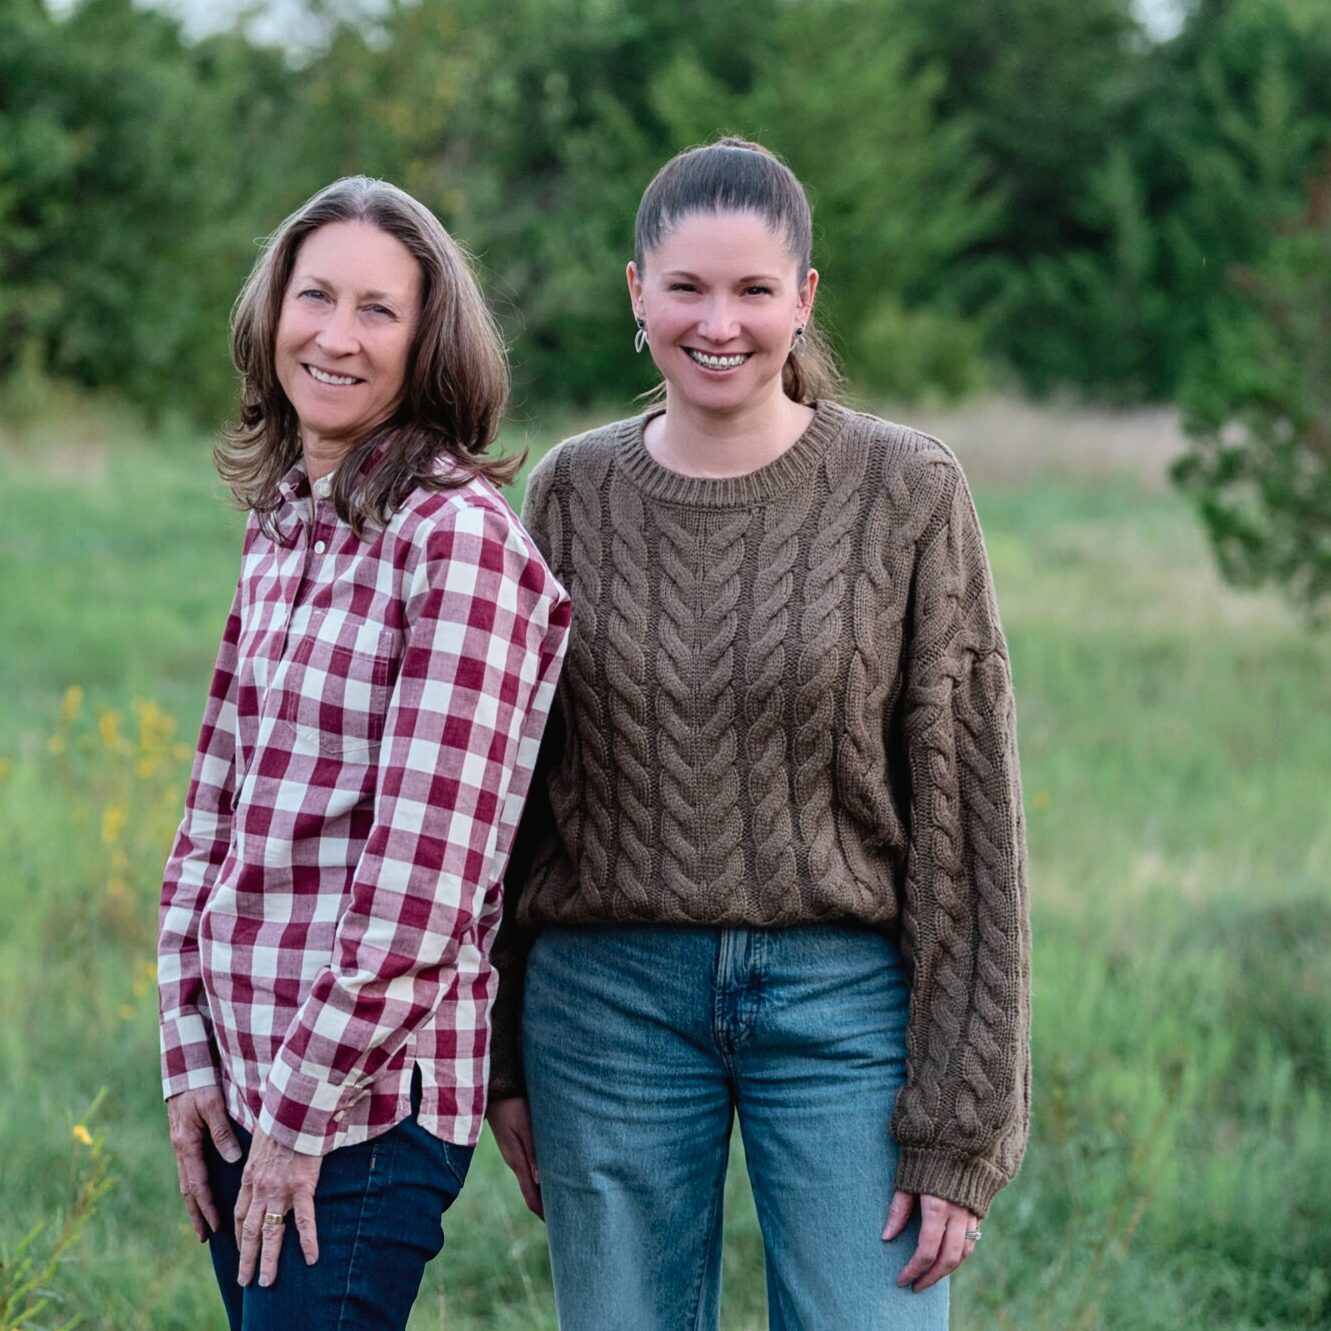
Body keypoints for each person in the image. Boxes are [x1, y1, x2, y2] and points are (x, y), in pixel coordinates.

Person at [486, 138, 1031, 1330]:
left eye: (751, 289)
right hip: (605, 1004)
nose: (716, 321)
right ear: (635, 291)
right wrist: (504, 1052)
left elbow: (967, 811)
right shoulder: (570, 494)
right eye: (684, 286)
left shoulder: (907, 490)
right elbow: (522, 797)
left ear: (803, 298)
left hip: (841, 1002)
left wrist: (961, 1120)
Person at [157, 175, 570, 1331]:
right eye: (314, 296)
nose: (334, 336)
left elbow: (425, 888)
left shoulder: (457, 542)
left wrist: (298, 1114)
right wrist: (188, 1062)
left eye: (377, 310)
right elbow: (211, 817)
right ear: (271, 310)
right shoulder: (283, 521)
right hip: (244, 1079)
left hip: (359, 1105)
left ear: (427, 341)